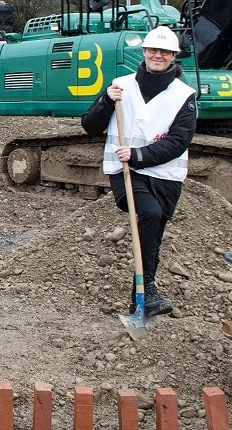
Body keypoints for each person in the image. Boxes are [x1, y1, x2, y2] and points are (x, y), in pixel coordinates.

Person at [80, 24, 197, 316]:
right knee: (149, 214)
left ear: (174, 56)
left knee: (154, 229)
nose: (158, 55)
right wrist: (106, 101)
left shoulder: (184, 95)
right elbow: (90, 126)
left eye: (165, 52)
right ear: (144, 51)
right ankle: (148, 290)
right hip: (124, 171)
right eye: (153, 49)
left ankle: (142, 295)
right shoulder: (120, 86)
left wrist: (139, 154)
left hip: (166, 175)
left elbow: (179, 141)